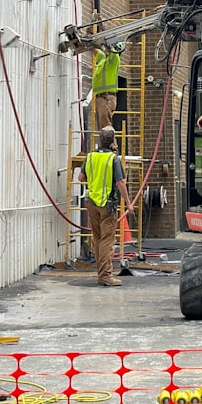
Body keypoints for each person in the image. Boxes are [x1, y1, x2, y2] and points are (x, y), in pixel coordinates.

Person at [78, 126, 131, 286]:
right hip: (107, 204)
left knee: (98, 239)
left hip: (91, 202)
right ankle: (105, 276)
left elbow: (81, 178)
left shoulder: (90, 157)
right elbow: (120, 182)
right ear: (113, 141)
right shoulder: (113, 159)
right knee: (107, 241)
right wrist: (128, 203)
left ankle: (101, 274)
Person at [92, 41, 124, 130]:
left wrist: (106, 40)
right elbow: (95, 51)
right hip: (101, 97)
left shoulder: (114, 59)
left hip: (106, 97)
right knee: (103, 126)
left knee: (105, 126)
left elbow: (110, 50)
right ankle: (108, 143)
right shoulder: (104, 59)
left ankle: (111, 144)